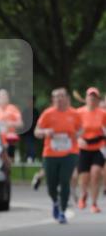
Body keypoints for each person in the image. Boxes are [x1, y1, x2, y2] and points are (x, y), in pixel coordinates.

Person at [34, 88, 82, 223]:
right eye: (55, 97)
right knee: (51, 184)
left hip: (70, 152)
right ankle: (55, 201)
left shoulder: (74, 114)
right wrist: (45, 132)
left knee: (65, 181)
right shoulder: (47, 114)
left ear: (67, 98)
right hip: (50, 153)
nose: (58, 99)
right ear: (53, 99)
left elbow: (81, 129)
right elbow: (36, 131)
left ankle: (62, 211)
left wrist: (77, 134)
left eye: (61, 96)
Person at [76, 87, 106, 212]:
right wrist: (78, 139)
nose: (92, 100)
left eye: (94, 98)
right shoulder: (78, 113)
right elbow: (72, 130)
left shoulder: (103, 113)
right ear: (86, 99)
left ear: (98, 100)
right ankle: (83, 195)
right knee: (84, 177)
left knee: (95, 174)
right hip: (83, 148)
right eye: (90, 97)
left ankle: (94, 203)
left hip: (98, 147)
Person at [0, 88, 23, 161]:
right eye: (1, 96)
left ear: (8, 98)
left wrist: (10, 123)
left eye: (4, 96)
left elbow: (20, 124)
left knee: (9, 162)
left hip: (10, 139)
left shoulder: (13, 108)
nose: (3, 98)